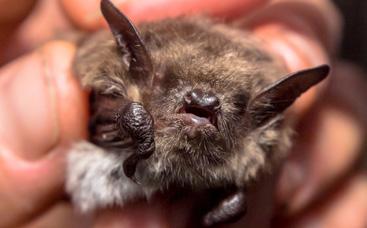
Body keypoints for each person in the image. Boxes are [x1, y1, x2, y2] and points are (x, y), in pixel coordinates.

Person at [0, 0, 366, 227]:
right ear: (133, 63)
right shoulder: (116, 88)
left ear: (263, 113)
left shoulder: (254, 148)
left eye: (234, 107)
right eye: (172, 87)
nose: (205, 104)